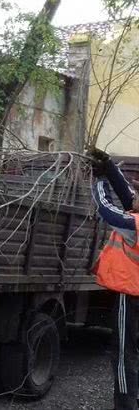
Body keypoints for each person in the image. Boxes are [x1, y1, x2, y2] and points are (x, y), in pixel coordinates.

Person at [89, 147, 139, 410]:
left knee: (123, 354)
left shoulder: (134, 226)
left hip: (130, 295)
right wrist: (108, 167)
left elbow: (106, 210)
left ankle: (125, 405)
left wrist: (98, 181)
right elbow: (128, 198)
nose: (134, 196)